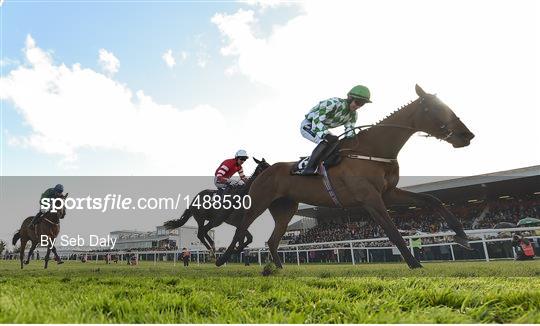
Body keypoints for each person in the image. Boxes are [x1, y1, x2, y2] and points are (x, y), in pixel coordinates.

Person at [300, 85, 372, 175]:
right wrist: (326, 135)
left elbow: (349, 133)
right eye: (357, 102)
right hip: (309, 125)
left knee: (338, 144)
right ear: (350, 98)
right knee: (326, 141)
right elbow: (316, 120)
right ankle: (309, 169)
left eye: (362, 104)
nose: (358, 106)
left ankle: (325, 165)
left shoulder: (353, 115)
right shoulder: (333, 103)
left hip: (322, 129)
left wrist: (361, 138)